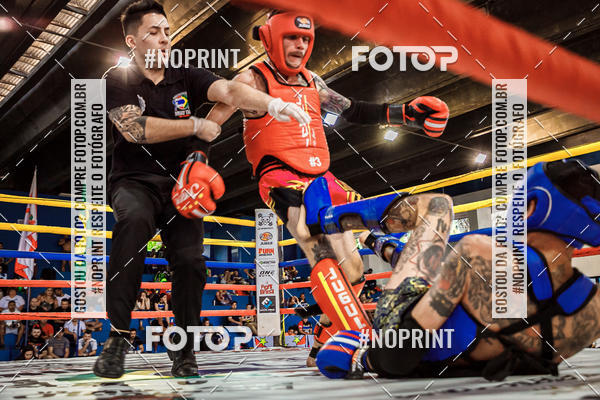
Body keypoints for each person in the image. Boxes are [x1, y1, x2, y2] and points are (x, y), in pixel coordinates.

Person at [207, 10, 449, 365]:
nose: (299, 45)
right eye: (291, 37)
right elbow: (211, 125)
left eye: (305, 39)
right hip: (280, 176)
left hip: (323, 177)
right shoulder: (252, 79)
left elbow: (351, 109)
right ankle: (364, 343)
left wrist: (404, 114)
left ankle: (321, 344)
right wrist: (194, 161)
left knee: (353, 272)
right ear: (271, 38)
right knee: (313, 240)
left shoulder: (312, 81)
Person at [94, 0, 310, 379]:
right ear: (132, 41)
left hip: (182, 183)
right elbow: (133, 129)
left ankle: (184, 348)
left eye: (166, 31)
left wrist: (273, 104)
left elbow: (228, 90)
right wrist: (194, 126)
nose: (164, 38)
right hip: (134, 180)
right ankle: (118, 337)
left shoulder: (185, 73)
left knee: (191, 261)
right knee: (133, 224)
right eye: (153, 32)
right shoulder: (117, 79)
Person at [315, 159, 600, 381]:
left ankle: (328, 219)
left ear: (531, 206)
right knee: (432, 263)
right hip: (473, 357)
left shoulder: (478, 252)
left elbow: (395, 357)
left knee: (438, 206)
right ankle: (382, 245)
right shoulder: (594, 308)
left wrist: (363, 356)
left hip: (408, 337)